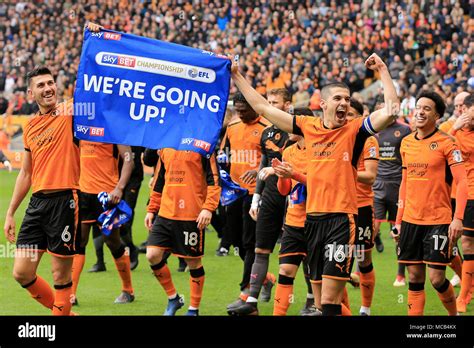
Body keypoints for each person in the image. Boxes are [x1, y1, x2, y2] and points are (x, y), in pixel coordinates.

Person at [231, 53, 399, 315]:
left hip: (341, 223)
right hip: (312, 222)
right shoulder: (307, 126)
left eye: (347, 99)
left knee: (330, 303)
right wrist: (236, 75)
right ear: (323, 104)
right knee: (322, 304)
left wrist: (383, 70)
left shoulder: (355, 130)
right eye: (338, 98)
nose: (344, 103)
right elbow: (263, 108)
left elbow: (391, 111)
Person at [3, 65, 80, 316]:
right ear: (30, 93)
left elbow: (92, 86)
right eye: (41, 85)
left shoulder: (71, 111)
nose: (48, 88)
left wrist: (98, 40)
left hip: (65, 201)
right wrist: (11, 212)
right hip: (37, 204)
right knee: (22, 272)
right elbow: (26, 173)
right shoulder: (31, 127)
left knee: (60, 275)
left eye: (50, 83)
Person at [393, 91, 468, 316]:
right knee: (415, 277)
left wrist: (458, 218)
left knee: (436, 279)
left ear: (437, 116)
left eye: (427, 108)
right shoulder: (405, 143)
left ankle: (453, 316)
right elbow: (404, 183)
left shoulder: (447, 143)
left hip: (438, 220)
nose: (421, 112)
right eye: (418, 107)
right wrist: (398, 221)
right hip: (410, 221)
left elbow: (462, 181)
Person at [229, 88, 292, 315]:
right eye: (270, 102)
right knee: (256, 247)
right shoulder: (267, 133)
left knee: (295, 254)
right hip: (263, 197)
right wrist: (257, 197)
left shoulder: (296, 131)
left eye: (277, 102)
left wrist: (267, 171)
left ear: (288, 104)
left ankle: (311, 301)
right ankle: (251, 299)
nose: (272, 106)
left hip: (294, 199)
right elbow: (264, 160)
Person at [144, 148, 221, 316]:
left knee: (192, 262)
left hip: (191, 214)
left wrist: (208, 208)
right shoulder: (166, 144)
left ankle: (193, 309)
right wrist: (152, 209)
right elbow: (158, 180)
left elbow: (214, 180)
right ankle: (173, 298)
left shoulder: (203, 145)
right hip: (165, 213)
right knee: (152, 255)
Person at [218, 92, 270, 313]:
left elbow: (275, 159)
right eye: (237, 110)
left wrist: (256, 170)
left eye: (243, 109)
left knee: (250, 244)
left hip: (257, 194)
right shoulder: (232, 126)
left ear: (254, 106)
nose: (239, 113)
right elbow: (224, 154)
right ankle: (265, 278)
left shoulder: (267, 128)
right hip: (235, 193)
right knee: (237, 242)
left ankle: (246, 293)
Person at [71, 140, 135, 304]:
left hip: (107, 196)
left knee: (112, 241)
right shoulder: (81, 125)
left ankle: (128, 290)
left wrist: (120, 188)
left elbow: (128, 159)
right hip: (84, 194)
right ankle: (70, 294)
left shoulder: (113, 127)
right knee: (79, 241)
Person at [270, 106, 319, 316]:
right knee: (285, 270)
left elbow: (322, 184)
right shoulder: (288, 151)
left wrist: (295, 174)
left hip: (318, 221)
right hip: (293, 222)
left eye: (291, 121)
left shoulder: (320, 150)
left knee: (322, 283)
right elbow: (284, 191)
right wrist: (282, 175)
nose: (286, 125)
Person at [371, 99, 412, 286]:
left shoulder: (404, 130)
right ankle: (359, 270)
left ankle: (400, 274)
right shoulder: (374, 130)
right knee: (372, 228)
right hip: (377, 185)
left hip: (397, 186)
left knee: (397, 232)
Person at [346, 99, 379, 316]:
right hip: (338, 207)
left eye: (351, 114)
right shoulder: (334, 136)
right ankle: (342, 309)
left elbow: (370, 176)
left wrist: (343, 172)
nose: (346, 118)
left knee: (363, 258)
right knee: (338, 259)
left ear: (359, 117)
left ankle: (365, 308)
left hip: (361, 207)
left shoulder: (368, 140)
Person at [448, 93, 474, 313]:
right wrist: (455, 128)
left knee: (467, 244)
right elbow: (436, 148)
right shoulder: (452, 129)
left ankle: (465, 295)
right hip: (460, 195)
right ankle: (465, 292)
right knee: (458, 243)